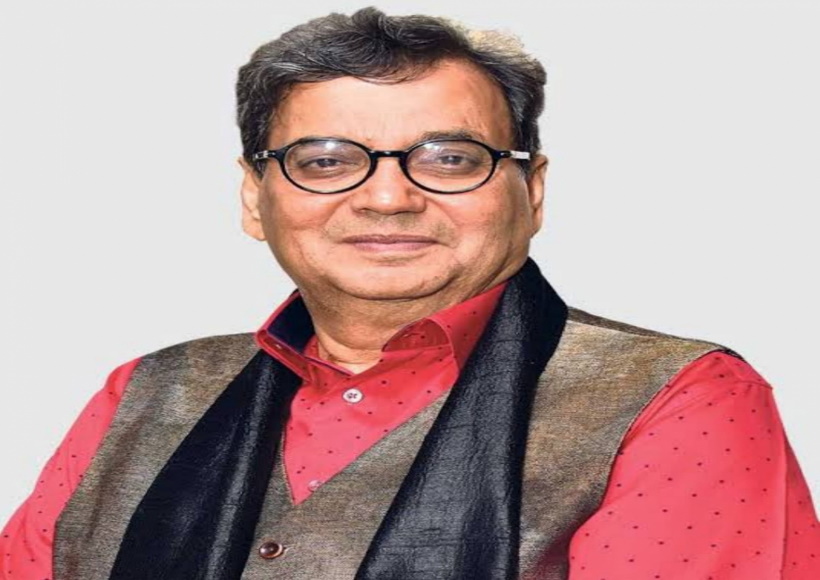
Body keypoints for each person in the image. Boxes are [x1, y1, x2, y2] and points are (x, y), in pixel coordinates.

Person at [2, 6, 818, 580]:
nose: (387, 198)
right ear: (255, 198)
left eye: (449, 158)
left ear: (532, 192)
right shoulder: (143, 394)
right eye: (325, 161)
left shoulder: (676, 400)